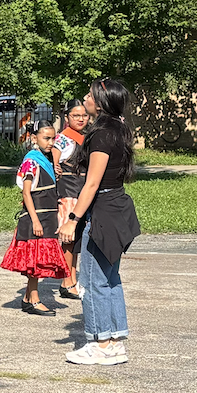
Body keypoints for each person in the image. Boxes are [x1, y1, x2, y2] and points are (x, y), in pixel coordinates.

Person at [58, 77, 140, 366]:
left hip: (103, 210)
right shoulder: (117, 128)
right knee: (110, 279)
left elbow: (91, 184)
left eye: (89, 95)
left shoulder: (103, 134)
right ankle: (114, 342)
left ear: (101, 101)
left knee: (92, 283)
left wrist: (72, 219)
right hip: (115, 207)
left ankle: (100, 343)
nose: (85, 98)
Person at [1, 122, 65, 312]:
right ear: (33, 138)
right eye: (46, 138)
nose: (51, 142)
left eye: (53, 138)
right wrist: (35, 220)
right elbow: (27, 193)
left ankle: (29, 297)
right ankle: (34, 298)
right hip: (36, 217)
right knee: (36, 261)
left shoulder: (47, 160)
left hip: (48, 216)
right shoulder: (31, 161)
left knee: (37, 260)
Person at [52, 103, 89, 299]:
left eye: (84, 115)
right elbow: (53, 163)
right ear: (68, 117)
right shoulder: (63, 139)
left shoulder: (84, 137)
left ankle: (72, 278)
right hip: (69, 194)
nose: (81, 119)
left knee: (75, 242)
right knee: (68, 240)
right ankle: (67, 281)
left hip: (80, 193)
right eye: (76, 115)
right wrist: (55, 167)